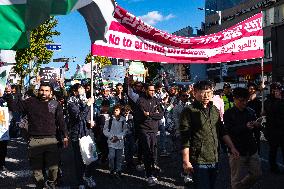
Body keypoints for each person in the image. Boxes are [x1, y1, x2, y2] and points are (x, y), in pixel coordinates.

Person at [7, 83, 68, 188]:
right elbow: (14, 107)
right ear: (38, 91)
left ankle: (51, 183)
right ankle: (40, 186)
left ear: (51, 92)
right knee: (37, 170)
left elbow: (60, 121)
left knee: (54, 168)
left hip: (51, 139)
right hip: (34, 140)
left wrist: (65, 135)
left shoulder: (53, 103)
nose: (44, 93)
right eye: (42, 90)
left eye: (46, 90)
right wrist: (10, 94)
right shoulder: (31, 102)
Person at [179, 80, 238, 189]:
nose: (206, 95)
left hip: (214, 156)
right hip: (198, 158)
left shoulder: (214, 109)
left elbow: (222, 131)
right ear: (194, 93)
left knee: (211, 185)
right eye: (203, 92)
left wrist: (232, 147)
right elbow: (185, 138)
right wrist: (186, 161)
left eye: (209, 92)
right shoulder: (188, 111)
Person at [224, 87, 262, 189]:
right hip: (236, 150)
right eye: (241, 100)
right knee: (236, 178)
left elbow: (256, 128)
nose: (244, 103)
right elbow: (228, 131)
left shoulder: (250, 111)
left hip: (251, 148)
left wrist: (257, 125)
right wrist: (245, 127)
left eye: (246, 100)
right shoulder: (228, 113)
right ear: (235, 99)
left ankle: (242, 186)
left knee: (257, 173)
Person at [67, 83, 96, 188]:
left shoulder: (86, 100)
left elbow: (91, 115)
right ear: (75, 92)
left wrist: (92, 121)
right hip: (77, 134)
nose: (83, 90)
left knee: (92, 157)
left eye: (83, 89)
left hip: (88, 132)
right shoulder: (71, 102)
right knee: (79, 160)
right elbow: (79, 117)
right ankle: (80, 181)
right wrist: (88, 105)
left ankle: (88, 176)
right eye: (80, 89)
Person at [136, 83, 164, 186]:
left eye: (153, 90)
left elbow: (161, 114)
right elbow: (143, 115)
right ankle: (149, 175)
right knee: (147, 151)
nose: (153, 92)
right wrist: (153, 114)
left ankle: (153, 169)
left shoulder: (157, 100)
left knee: (154, 151)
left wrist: (150, 114)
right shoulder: (140, 100)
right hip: (144, 130)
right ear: (145, 90)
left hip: (154, 130)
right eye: (150, 90)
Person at [264, 82, 284, 173]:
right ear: (272, 91)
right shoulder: (268, 101)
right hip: (273, 130)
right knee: (273, 149)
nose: (278, 92)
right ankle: (273, 167)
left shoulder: (282, 99)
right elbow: (272, 110)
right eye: (276, 90)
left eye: (279, 90)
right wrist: (278, 100)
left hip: (282, 129)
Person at [103, 104, 127, 178]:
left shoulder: (123, 120)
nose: (115, 111)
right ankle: (112, 169)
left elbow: (125, 131)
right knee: (111, 156)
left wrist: (118, 137)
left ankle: (118, 170)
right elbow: (105, 130)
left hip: (120, 142)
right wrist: (111, 137)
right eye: (114, 110)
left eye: (116, 110)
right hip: (111, 141)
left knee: (119, 157)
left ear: (120, 111)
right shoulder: (109, 120)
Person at [123, 105, 136, 169]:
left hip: (131, 134)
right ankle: (128, 162)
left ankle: (131, 161)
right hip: (124, 135)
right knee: (126, 149)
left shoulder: (131, 117)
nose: (126, 112)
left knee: (132, 149)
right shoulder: (122, 117)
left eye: (128, 111)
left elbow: (133, 126)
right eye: (126, 111)